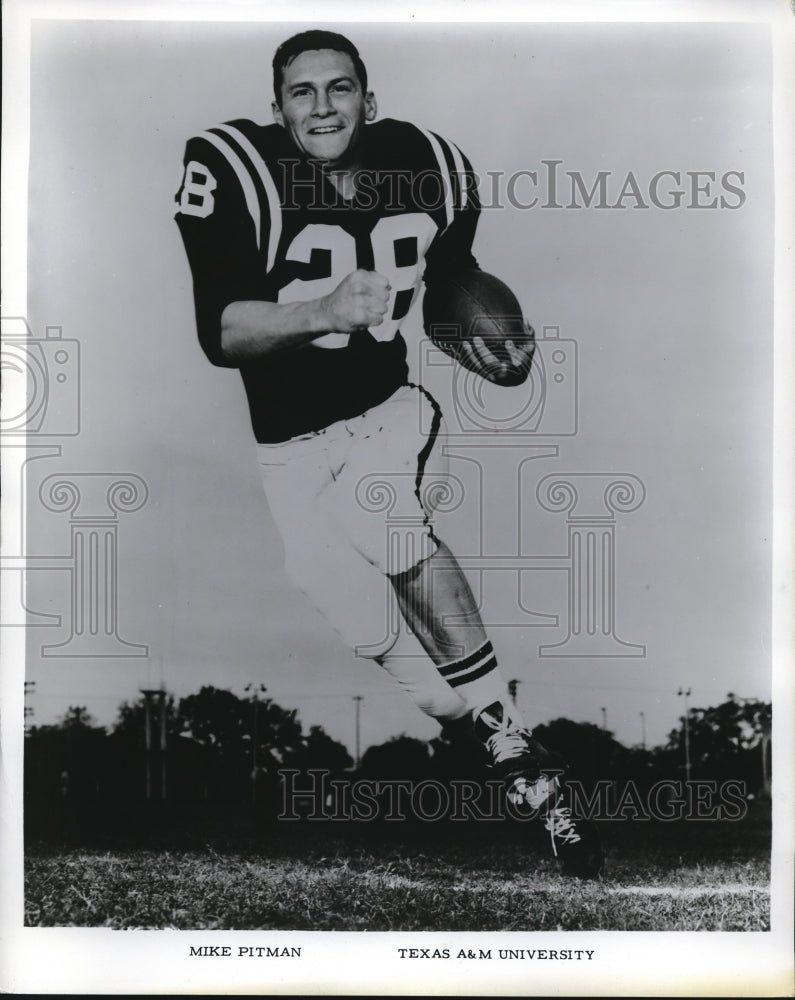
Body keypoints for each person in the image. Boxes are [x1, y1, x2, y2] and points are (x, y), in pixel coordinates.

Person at [175, 29, 601, 876]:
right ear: (277, 109)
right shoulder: (234, 169)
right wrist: (324, 311)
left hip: (387, 414)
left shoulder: (431, 168)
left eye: (340, 89)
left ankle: (506, 738)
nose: (322, 106)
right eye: (302, 92)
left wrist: (481, 337)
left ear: (370, 101)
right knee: (355, 613)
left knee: (380, 520)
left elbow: (448, 279)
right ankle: (512, 756)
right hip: (287, 446)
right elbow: (221, 331)